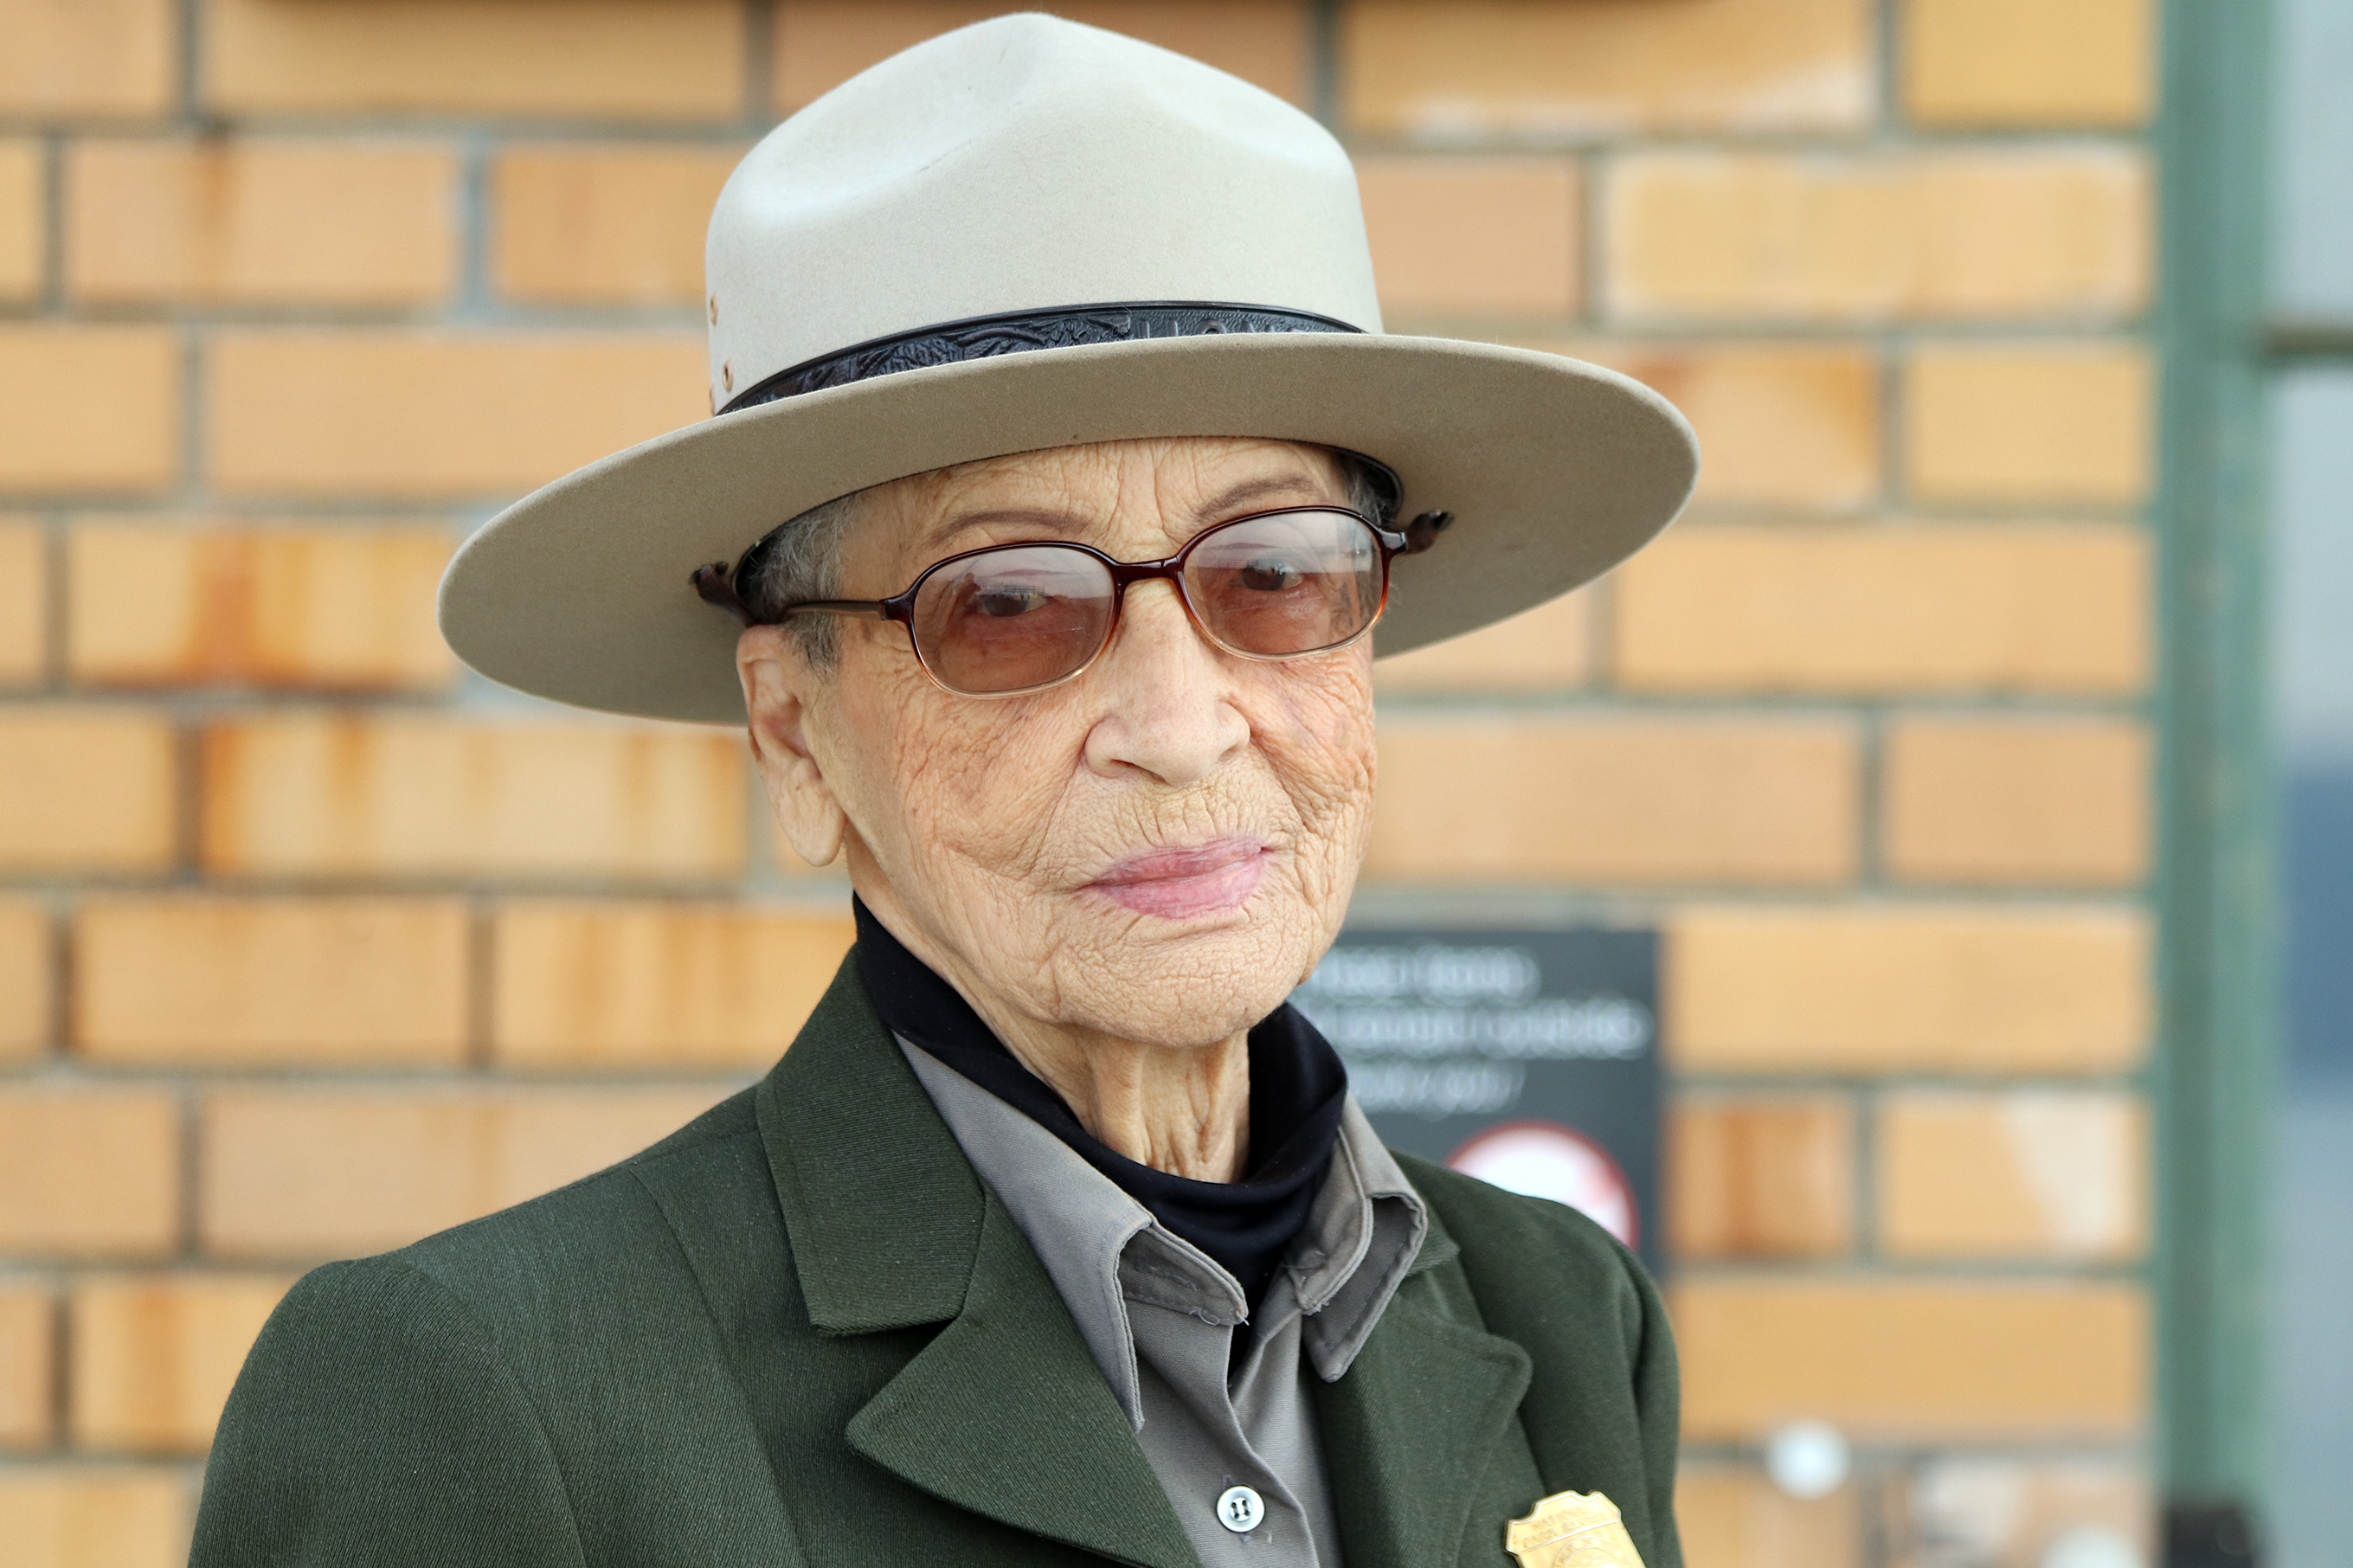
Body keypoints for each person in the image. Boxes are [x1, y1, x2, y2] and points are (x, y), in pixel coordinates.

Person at [191, 15, 1698, 1568]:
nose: (1181, 728)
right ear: (795, 737)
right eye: (1008, 607)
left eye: (1273, 570)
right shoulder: (483, 1395)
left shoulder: (1563, 1313)